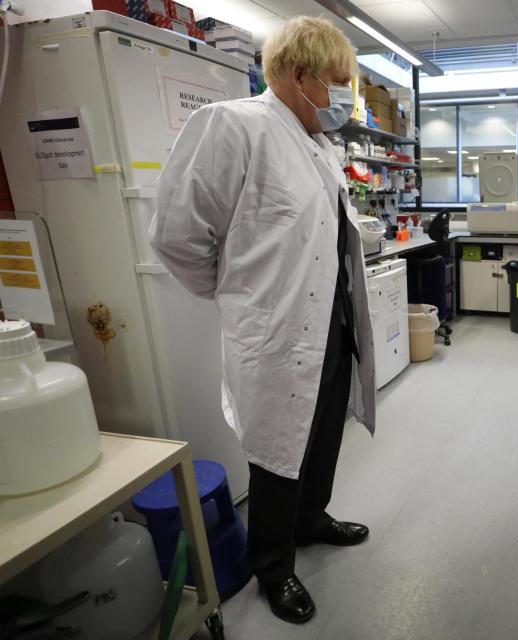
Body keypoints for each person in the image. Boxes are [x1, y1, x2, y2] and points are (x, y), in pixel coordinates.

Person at [149, 16, 376, 625]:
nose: (344, 96)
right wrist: (237, 300)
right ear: (298, 75)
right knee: (279, 451)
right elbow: (175, 236)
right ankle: (272, 566)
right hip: (275, 336)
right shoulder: (234, 126)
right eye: (337, 81)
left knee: (325, 433)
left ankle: (311, 518)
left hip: (331, 323)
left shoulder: (320, 145)